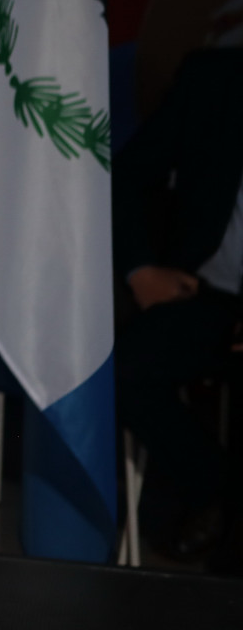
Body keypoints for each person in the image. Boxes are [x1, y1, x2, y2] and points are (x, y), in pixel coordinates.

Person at [113, 46, 243, 571]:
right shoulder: (215, 78)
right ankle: (215, 490)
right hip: (207, 292)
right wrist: (141, 269)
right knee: (125, 371)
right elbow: (127, 174)